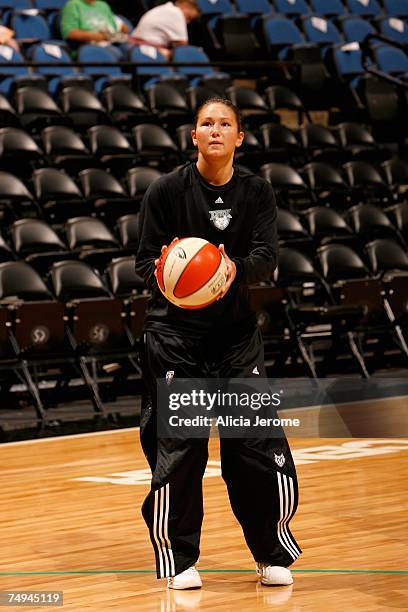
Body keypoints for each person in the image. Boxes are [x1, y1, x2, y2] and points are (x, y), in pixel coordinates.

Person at [136, 98, 301, 590]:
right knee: (181, 449)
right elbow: (144, 263)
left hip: (235, 338)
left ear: (239, 137)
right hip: (174, 339)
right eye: (206, 123)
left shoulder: (257, 191)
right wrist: (171, 273)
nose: (214, 130)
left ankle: (271, 551)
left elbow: (266, 257)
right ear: (193, 136)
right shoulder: (165, 191)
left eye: (224, 124)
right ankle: (179, 560)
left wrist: (231, 271)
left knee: (255, 445)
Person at [130, 0, 200, 59]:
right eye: (189, 17)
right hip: (144, 49)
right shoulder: (176, 12)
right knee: (187, 54)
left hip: (137, 47)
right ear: (185, 6)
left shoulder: (165, 8)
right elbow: (183, 45)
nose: (187, 22)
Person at [61, 0, 129, 44]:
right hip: (88, 45)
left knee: (130, 47)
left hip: (112, 41)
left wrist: (122, 28)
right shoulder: (72, 5)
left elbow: (114, 25)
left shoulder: (103, 5)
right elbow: (69, 32)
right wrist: (94, 36)